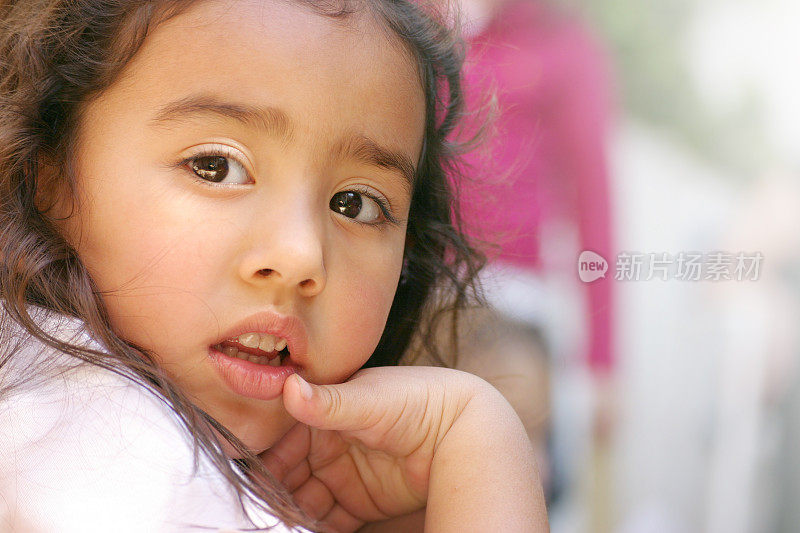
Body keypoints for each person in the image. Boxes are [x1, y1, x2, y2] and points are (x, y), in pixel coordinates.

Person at [0, 0, 548, 532]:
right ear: (47, 173)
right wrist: (479, 452)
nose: (300, 256)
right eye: (216, 167)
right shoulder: (117, 461)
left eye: (354, 204)